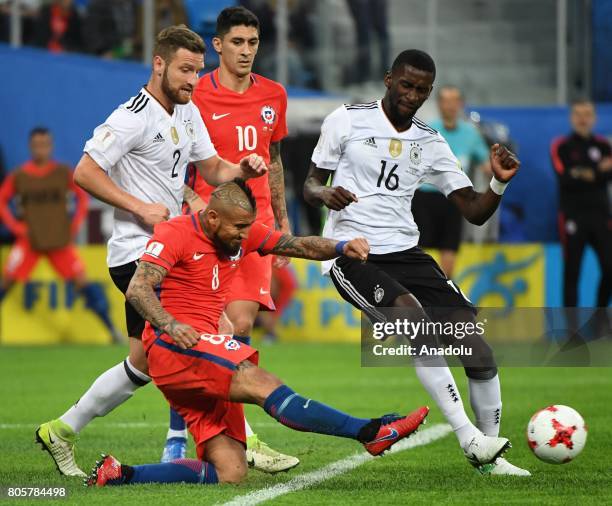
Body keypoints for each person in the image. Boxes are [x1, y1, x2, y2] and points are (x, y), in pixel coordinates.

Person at [85, 178, 429, 487]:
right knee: (260, 381)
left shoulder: (240, 234)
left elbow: (299, 245)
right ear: (213, 218)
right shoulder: (175, 233)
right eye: (238, 227)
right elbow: (138, 288)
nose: (244, 234)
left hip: (199, 355)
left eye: (248, 226)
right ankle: (369, 432)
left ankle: (121, 474)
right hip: (175, 347)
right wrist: (171, 324)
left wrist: (341, 247)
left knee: (230, 471)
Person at [35, 25, 267, 478]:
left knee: (141, 365)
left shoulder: (187, 111)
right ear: (158, 64)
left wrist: (241, 168)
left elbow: (213, 167)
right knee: (218, 332)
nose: (192, 81)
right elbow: (84, 172)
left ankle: (61, 430)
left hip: (168, 250)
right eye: (185, 70)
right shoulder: (131, 117)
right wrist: (139, 206)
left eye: (198, 72)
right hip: (140, 256)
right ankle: (249, 442)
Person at [303, 49, 529, 476]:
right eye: (406, 85)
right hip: (353, 253)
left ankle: (492, 458)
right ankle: (469, 437)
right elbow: (310, 184)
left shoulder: (430, 141)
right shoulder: (347, 119)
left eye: (421, 89)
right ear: (389, 79)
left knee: (478, 350)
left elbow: (474, 211)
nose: (412, 95)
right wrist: (324, 194)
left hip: (407, 254)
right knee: (415, 321)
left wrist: (497, 182)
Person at [179, 6, 297, 471]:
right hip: (209, 228)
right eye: (237, 42)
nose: (246, 51)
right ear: (218, 45)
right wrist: (189, 198)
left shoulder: (274, 94)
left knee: (239, 329)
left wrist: (284, 220)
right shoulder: (196, 94)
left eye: (253, 42)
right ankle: (211, 436)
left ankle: (235, 438)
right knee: (209, 334)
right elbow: (177, 160)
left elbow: (276, 157)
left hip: (258, 225)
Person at [0, 127, 122, 342]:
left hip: (59, 241)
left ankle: (111, 329)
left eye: (44, 144)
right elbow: (2, 201)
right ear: (31, 147)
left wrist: (74, 224)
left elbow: (82, 199)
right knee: (6, 283)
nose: (41, 149)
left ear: (50, 146)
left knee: (83, 284)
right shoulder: (20, 176)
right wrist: (17, 228)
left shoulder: (62, 173)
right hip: (29, 242)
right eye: (37, 145)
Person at [412, 85, 490, 278]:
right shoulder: (427, 130)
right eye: (446, 101)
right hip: (425, 198)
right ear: (439, 104)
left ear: (461, 104)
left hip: (455, 200)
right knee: (417, 254)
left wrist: (501, 172)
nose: (450, 106)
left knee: (449, 255)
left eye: (455, 101)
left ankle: (441, 301)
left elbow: (486, 164)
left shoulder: (471, 134)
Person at [550, 99, 612, 308]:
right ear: (571, 117)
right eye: (578, 114)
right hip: (572, 216)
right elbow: (564, 177)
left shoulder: (604, 145)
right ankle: (572, 330)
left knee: (609, 268)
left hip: (602, 216)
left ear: (594, 118)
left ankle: (599, 319)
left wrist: (582, 172)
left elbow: (607, 176)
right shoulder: (562, 146)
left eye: (587, 114)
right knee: (572, 272)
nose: (583, 119)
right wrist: (597, 171)